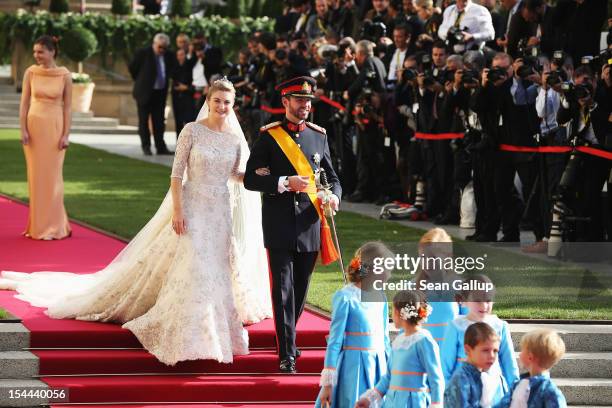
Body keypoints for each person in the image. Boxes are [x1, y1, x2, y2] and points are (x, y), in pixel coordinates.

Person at [1, 78, 272, 366]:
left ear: (233, 105)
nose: (221, 106)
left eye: (227, 102)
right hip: (193, 208)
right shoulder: (192, 131)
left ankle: (211, 331)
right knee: (196, 266)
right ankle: (188, 334)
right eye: (217, 100)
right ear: (208, 100)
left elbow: (234, 174)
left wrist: (259, 175)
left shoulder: (233, 139)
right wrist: (179, 211)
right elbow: (177, 174)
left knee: (215, 269)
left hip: (220, 213)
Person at [243, 76, 342, 374]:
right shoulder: (268, 136)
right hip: (279, 222)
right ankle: (287, 353)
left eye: (308, 101)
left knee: (300, 289)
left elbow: (333, 178)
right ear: (285, 102)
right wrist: (284, 182)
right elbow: (250, 179)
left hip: (310, 223)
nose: (305, 106)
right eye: (299, 100)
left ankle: (287, 339)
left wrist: (333, 198)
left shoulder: (318, 135)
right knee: (283, 289)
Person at [315, 242, 393, 408]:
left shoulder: (381, 297)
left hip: (379, 367)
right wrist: (328, 383)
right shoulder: (346, 297)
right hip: (354, 368)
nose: (389, 273)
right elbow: (335, 341)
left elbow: (385, 338)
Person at [19, 35, 72, 240]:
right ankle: (37, 227)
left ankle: (56, 226)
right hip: (34, 129)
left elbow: (68, 108)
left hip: (55, 128)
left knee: (53, 178)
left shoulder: (64, 75)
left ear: (52, 52)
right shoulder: (30, 72)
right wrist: (22, 129)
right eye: (35, 51)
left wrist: (66, 134)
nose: (37, 55)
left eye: (41, 51)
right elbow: (24, 104)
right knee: (36, 178)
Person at [355, 290, 444, 408]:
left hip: (414, 403)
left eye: (392, 311)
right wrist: (369, 399)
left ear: (398, 312)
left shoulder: (423, 340)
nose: (392, 314)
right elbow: (388, 377)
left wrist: (436, 404)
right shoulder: (398, 341)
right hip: (392, 403)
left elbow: (436, 379)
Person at [440, 275, 519, 406]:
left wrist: (515, 391)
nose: (484, 305)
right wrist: (448, 395)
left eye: (488, 300)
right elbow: (446, 365)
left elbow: (509, 363)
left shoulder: (500, 326)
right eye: (477, 300)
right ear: (465, 301)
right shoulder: (456, 327)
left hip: (496, 390)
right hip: (465, 389)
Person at [129, 33, 176, 156]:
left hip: (160, 93)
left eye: (164, 47)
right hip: (144, 92)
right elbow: (133, 69)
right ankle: (146, 146)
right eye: (160, 47)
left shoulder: (169, 55)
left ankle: (160, 147)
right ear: (154, 44)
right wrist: (141, 81)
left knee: (159, 121)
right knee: (144, 121)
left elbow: (172, 70)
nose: (162, 50)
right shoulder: (143, 53)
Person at [497, 329, 567, 407]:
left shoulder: (549, 391)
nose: (519, 355)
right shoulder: (519, 384)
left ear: (530, 357)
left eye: (522, 350)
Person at [444, 322, 502, 407]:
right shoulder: (461, 380)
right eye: (485, 350)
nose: (492, 356)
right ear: (468, 350)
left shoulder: (494, 378)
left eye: (495, 351)